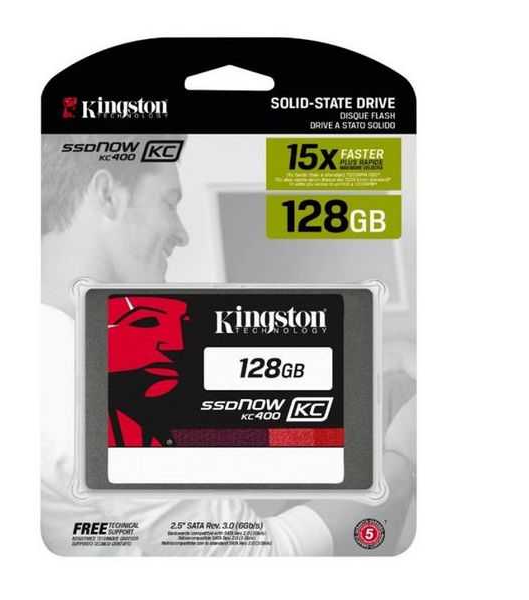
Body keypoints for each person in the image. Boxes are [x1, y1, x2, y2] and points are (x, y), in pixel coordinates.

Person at [41, 134, 414, 556]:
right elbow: (264, 557)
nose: (182, 234)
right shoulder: (102, 390)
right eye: (169, 203)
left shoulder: (56, 349)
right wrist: (402, 457)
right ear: (108, 195)